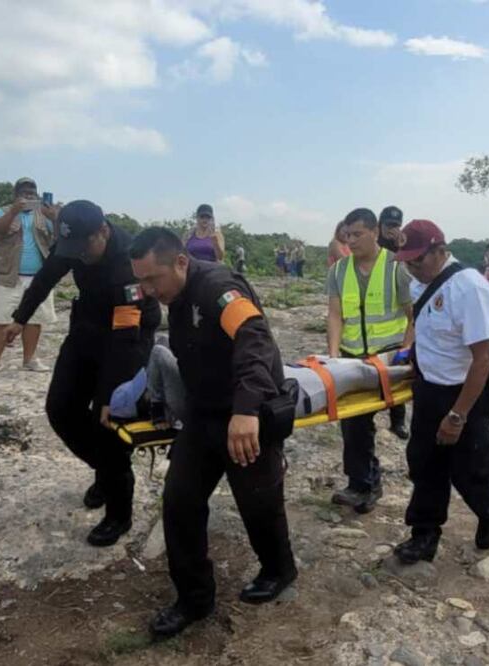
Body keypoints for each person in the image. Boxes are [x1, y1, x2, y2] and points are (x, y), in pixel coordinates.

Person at [128, 228, 296, 638]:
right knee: (180, 502)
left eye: (153, 279)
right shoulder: (175, 294)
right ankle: (194, 598)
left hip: (246, 412)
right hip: (203, 415)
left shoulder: (219, 288)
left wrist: (245, 411)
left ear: (181, 262)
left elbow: (254, 340)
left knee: (258, 501)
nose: (148, 290)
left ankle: (279, 570)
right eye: (141, 281)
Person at [5, 200, 160, 546]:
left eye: (85, 248)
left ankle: (119, 512)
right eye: (71, 249)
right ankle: (107, 473)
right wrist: (20, 317)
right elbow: (46, 277)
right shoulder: (75, 243)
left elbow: (124, 336)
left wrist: (108, 396)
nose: (79, 256)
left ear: (103, 231)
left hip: (128, 334)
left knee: (105, 422)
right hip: (88, 326)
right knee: (60, 409)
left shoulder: (127, 264)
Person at [392, 219, 489, 563]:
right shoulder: (420, 284)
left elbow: (482, 358)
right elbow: (422, 326)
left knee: (468, 466)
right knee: (424, 462)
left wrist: (457, 416)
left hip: (469, 387)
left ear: (440, 250)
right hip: (430, 385)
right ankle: (424, 534)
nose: (413, 270)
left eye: (418, 261)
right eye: (407, 264)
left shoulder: (469, 288)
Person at [327, 208, 414, 513]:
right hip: (353, 359)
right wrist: (334, 357)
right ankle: (363, 483)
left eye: (357, 234)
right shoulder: (339, 270)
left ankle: (410, 475)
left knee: (395, 416)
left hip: (389, 357)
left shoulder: (396, 267)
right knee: (353, 424)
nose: (350, 241)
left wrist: (405, 349)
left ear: (375, 232)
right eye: (346, 235)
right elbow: (335, 315)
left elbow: (412, 316)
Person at [0, 177, 59, 378]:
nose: (29, 195)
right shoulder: (2, 211)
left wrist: (54, 218)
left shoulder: (43, 214)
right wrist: (14, 211)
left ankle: (29, 359)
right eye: (24, 192)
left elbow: (59, 238)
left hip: (38, 278)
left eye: (32, 192)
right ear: (16, 194)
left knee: (34, 320)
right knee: (0, 319)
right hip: (8, 276)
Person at [377, 205, 413, 440]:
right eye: (389, 225)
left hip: (396, 324)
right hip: (367, 320)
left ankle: (397, 421)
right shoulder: (372, 245)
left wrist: (402, 245)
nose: (392, 230)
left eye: (396, 225)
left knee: (395, 377)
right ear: (379, 226)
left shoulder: (404, 245)